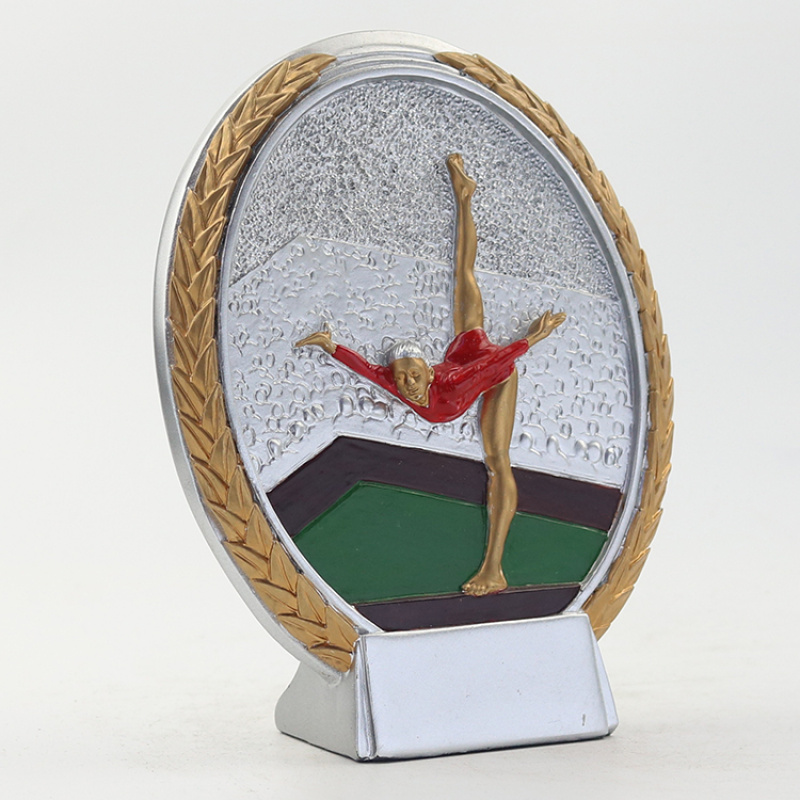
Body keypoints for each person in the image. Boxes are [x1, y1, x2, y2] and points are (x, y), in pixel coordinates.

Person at [296, 153, 565, 596]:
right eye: (402, 378)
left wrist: (533, 338)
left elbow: (492, 364)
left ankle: (494, 569)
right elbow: (366, 369)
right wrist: (330, 345)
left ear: (428, 372)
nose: (408, 386)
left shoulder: (452, 382)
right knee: (462, 273)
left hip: (490, 372)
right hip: (465, 350)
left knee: (497, 462)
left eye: (414, 377)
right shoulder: (397, 382)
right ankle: (465, 197)